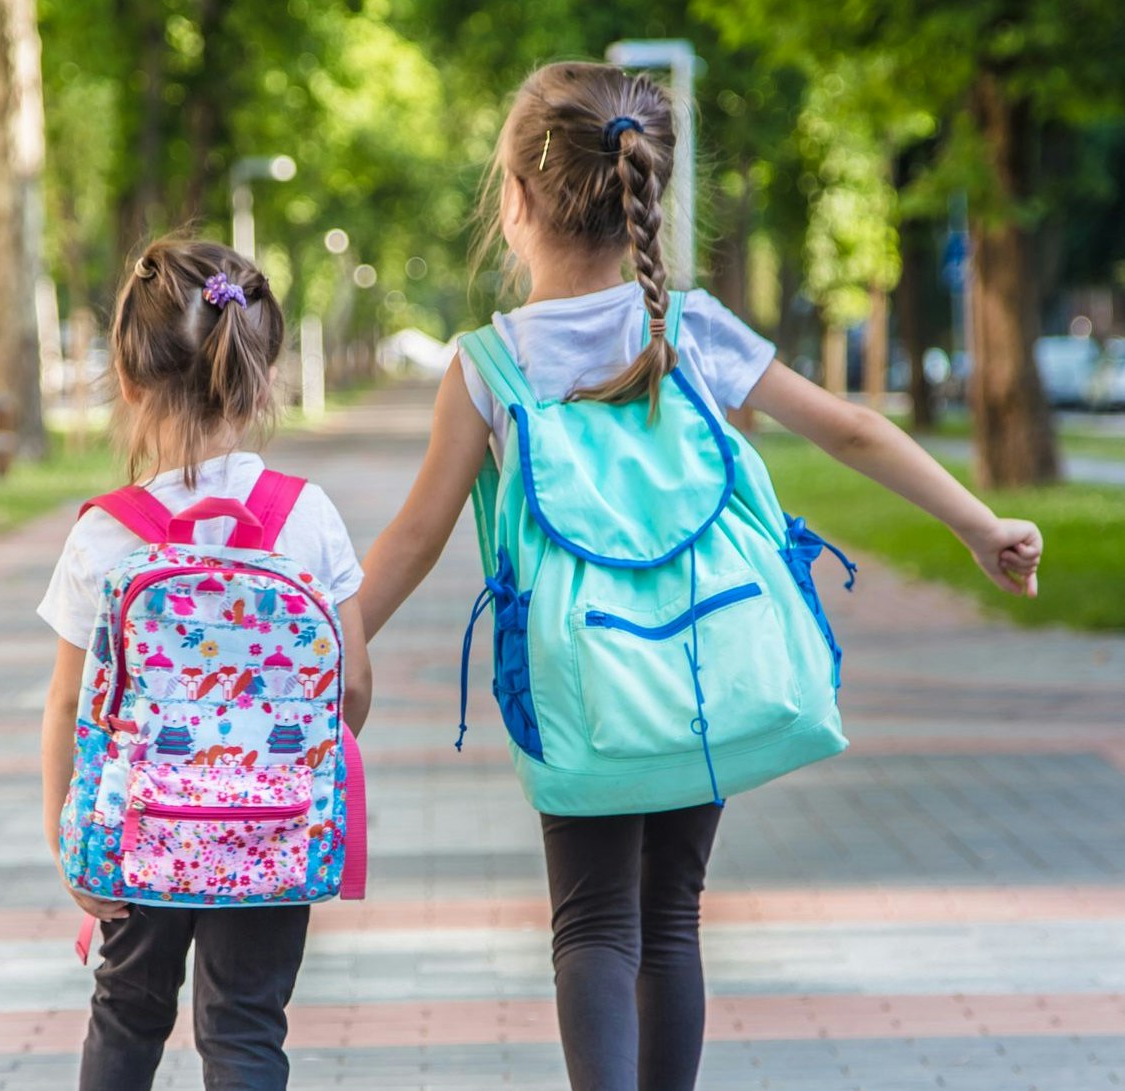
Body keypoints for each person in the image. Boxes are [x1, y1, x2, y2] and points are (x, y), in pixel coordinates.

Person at [356, 62, 1043, 1091]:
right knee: (670, 914)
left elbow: (412, 537)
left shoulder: (486, 366)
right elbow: (850, 429)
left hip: (580, 688)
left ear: (512, 202)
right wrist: (978, 523)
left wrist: (329, 638)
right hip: (705, 672)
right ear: (650, 194)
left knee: (591, 921)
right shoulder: (693, 328)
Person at [37, 237, 373, 1091]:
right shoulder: (308, 516)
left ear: (126, 377)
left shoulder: (103, 533)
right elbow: (353, 685)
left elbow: (69, 702)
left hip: (140, 823)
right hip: (271, 828)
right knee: (247, 1025)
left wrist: (64, 829)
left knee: (127, 1008)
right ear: (261, 381)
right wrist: (281, 765)